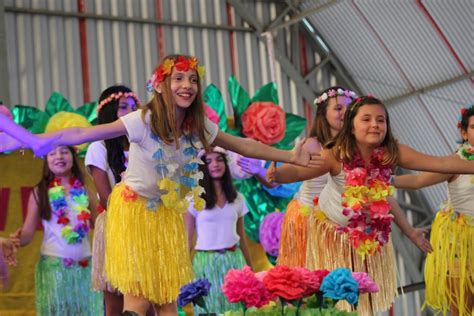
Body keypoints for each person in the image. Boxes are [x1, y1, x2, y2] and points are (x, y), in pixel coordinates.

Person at [0, 54, 316, 315]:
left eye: (193, 79)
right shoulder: (142, 119)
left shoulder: (198, 127)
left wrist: (290, 154)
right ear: (162, 85)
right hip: (132, 211)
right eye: (178, 78)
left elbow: (242, 145)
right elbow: (83, 135)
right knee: (137, 299)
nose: (187, 85)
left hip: (165, 215)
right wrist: (27, 139)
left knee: (167, 303)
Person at [267, 96, 472, 314]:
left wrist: (410, 232)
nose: (375, 124)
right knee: (332, 304)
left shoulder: (392, 153)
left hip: (366, 238)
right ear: (352, 127)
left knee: (362, 306)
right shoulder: (336, 154)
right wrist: (278, 173)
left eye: (381, 120)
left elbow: (440, 163)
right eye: (366, 119)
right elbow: (299, 171)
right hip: (331, 237)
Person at [240, 86, 356, 267]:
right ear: (323, 114)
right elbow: (278, 180)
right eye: (338, 108)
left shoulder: (356, 149)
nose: (345, 113)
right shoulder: (312, 145)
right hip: (308, 221)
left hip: (339, 222)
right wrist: (261, 172)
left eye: (349, 109)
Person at [394, 105, 474, 316]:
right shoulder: (456, 162)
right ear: (464, 133)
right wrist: (385, 180)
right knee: (462, 309)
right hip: (461, 245)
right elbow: (418, 180)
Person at [8, 146, 102, 315]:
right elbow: (28, 233)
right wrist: (16, 239)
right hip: (54, 266)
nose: (59, 156)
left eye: (64, 152)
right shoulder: (40, 192)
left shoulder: (85, 191)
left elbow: (101, 226)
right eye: (52, 153)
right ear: (46, 160)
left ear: (73, 157)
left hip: (85, 266)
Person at [84, 85, 140, 315]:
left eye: (134, 107)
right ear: (109, 112)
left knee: (147, 295)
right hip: (116, 227)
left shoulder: (142, 144)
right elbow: (107, 198)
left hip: (146, 226)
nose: (130, 112)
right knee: (116, 300)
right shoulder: (98, 148)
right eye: (123, 107)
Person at [184, 146, 252, 315]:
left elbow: (242, 238)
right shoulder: (193, 200)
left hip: (234, 262)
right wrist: (181, 273)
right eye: (209, 161)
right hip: (205, 264)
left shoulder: (238, 198)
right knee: (208, 310)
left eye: (219, 159)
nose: (215, 164)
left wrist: (250, 271)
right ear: (202, 167)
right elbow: (186, 241)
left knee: (236, 311)